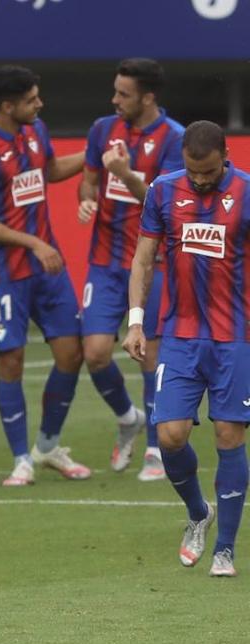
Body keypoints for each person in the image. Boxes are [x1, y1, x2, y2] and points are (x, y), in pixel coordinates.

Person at [124, 121, 250, 578]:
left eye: (210, 172)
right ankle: (199, 512)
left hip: (236, 337)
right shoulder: (162, 190)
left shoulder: (247, 193)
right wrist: (137, 321)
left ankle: (226, 550)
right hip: (179, 334)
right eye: (194, 172)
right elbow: (142, 258)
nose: (200, 180)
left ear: (226, 156)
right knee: (171, 435)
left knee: (229, 436)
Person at [0, 65, 91, 486]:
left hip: (46, 269)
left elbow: (47, 170)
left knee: (72, 353)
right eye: (32, 99)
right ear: (7, 105)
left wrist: (97, 158)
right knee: (11, 361)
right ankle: (21, 459)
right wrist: (32, 242)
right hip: (2, 273)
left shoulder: (36, 131)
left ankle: (48, 445)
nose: (40, 104)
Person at [77, 58, 184, 482]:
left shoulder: (173, 139)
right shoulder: (103, 129)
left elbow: (163, 204)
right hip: (104, 261)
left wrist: (125, 174)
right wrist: (86, 198)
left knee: (149, 354)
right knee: (96, 352)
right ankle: (128, 417)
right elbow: (88, 177)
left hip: (152, 262)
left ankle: (157, 448)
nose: (115, 99)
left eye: (124, 93)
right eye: (115, 91)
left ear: (148, 97)